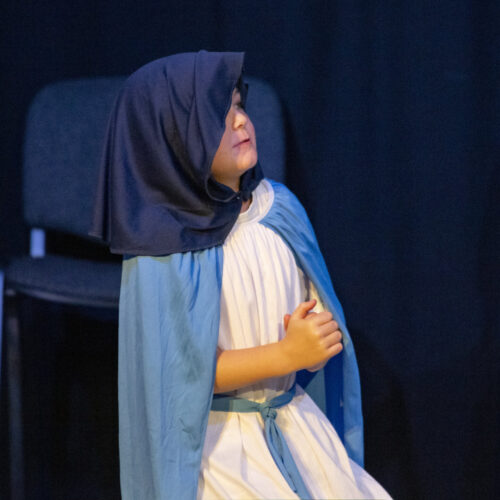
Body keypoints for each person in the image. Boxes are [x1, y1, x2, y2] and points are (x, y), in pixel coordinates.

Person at [90, 49, 391, 500]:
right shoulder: (164, 248)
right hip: (218, 448)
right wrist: (286, 354)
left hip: (294, 425)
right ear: (173, 140)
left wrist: (314, 343)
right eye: (218, 114)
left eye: (237, 104)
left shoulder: (278, 207)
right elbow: (182, 374)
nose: (239, 121)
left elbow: (313, 311)